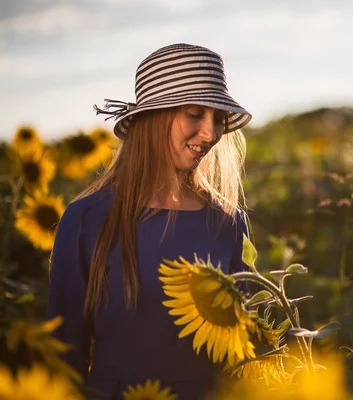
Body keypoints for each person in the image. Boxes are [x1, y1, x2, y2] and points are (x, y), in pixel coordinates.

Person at [47, 43, 253, 400]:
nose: (210, 134)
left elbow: (243, 350)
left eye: (218, 119)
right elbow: (64, 358)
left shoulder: (229, 222)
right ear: (153, 117)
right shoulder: (86, 220)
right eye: (194, 114)